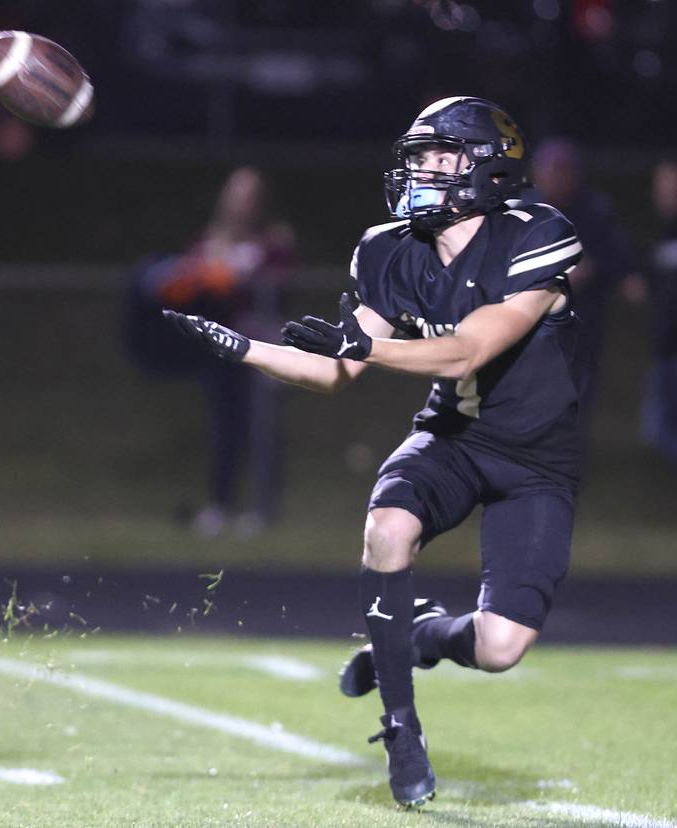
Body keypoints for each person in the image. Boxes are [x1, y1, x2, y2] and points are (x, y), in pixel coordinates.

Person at [164, 97, 588, 808]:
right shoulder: (390, 249)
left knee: (500, 649)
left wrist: (367, 344)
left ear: (487, 167)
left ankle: (420, 632)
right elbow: (335, 369)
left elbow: (469, 349)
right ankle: (401, 727)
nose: (421, 170)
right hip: (452, 438)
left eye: (439, 157)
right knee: (386, 528)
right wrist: (246, 349)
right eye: (416, 156)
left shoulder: (538, 236)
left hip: (536, 461)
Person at [131, 167, 294, 535]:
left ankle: (263, 510)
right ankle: (221, 505)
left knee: (263, 429)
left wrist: (235, 278)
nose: (242, 203)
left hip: (263, 347)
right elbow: (192, 286)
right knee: (225, 427)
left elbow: (273, 282)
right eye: (236, 194)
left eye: (250, 195)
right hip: (222, 348)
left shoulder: (273, 239)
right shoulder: (210, 241)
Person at [529, 138, 637, 450]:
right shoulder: (527, 211)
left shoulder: (594, 209)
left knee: (577, 386)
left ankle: (567, 448)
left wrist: (608, 273)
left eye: (563, 172)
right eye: (550, 171)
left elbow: (614, 253)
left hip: (583, 320)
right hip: (535, 321)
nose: (556, 179)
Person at [640, 160, 677, 469]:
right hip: (664, 347)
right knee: (655, 430)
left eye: (670, 186)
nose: (664, 194)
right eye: (660, 187)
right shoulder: (660, 232)